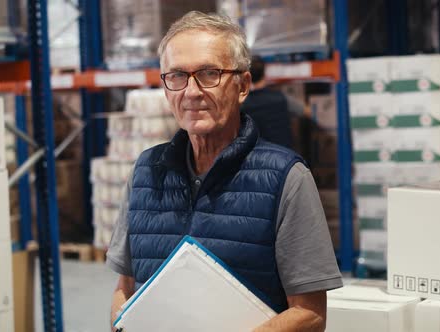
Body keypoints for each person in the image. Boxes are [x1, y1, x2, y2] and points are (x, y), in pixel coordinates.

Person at [106, 11, 342, 331]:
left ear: (242, 85)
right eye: (176, 76)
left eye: (208, 74)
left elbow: (311, 313)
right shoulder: (145, 173)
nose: (191, 92)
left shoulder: (286, 178)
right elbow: (125, 287)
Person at [240, 56, 294, 149]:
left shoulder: (242, 104)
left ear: (248, 76)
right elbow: (307, 111)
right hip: (284, 156)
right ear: (264, 73)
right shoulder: (280, 98)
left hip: (258, 158)